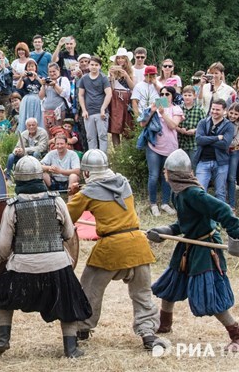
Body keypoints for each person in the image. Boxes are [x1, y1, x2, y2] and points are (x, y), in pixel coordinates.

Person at [0, 155, 91, 358]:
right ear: (39, 177)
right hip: (57, 265)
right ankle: (71, 348)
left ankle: (4, 337)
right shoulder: (56, 201)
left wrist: (13, 258)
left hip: (23, 267)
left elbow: (3, 245)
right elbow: (69, 234)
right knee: (68, 299)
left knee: (4, 296)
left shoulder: (12, 206)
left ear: (18, 180)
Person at [149, 149, 239, 352]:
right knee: (171, 286)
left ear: (171, 173)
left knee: (209, 294)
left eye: (166, 171)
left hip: (205, 248)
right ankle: (165, 324)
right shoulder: (178, 193)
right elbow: (184, 222)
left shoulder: (193, 193)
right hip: (188, 245)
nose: (164, 174)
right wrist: (165, 230)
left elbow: (224, 211)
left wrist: (235, 237)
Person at [66, 149, 165, 351]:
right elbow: (104, 189)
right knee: (142, 294)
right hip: (138, 245)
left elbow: (67, 219)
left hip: (111, 249)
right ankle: (148, 334)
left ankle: (82, 328)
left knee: (89, 290)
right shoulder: (123, 183)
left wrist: (73, 197)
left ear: (86, 172)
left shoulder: (86, 194)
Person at [140, 85, 183, 216]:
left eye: (167, 94)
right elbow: (142, 123)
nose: (164, 97)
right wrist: (152, 111)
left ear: (172, 96)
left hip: (170, 148)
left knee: (167, 177)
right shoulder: (154, 108)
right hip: (154, 147)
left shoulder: (176, 109)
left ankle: (165, 203)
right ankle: (153, 204)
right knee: (153, 176)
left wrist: (163, 113)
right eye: (162, 94)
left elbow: (173, 125)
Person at [194, 99, 234, 203]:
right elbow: (198, 140)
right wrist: (216, 138)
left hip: (221, 162)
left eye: (218, 110)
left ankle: (221, 217)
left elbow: (225, 144)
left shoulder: (229, 125)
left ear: (224, 111)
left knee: (220, 192)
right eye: (213, 109)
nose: (214, 112)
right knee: (200, 191)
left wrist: (206, 139)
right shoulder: (203, 122)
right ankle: (202, 216)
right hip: (203, 161)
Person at [78, 56, 112, 152]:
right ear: (88, 66)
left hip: (101, 112)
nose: (94, 67)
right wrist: (84, 110)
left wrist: (103, 109)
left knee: (102, 136)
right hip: (89, 112)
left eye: (96, 65)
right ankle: (93, 159)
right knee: (90, 137)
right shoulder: (84, 79)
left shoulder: (103, 78)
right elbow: (80, 95)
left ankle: (102, 159)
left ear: (100, 66)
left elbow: (109, 94)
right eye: (92, 64)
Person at [108, 48, 135, 146]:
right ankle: (117, 152)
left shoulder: (131, 71)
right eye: (118, 58)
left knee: (126, 126)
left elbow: (133, 87)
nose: (120, 60)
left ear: (126, 59)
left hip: (127, 98)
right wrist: (111, 77)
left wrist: (126, 76)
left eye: (122, 58)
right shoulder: (113, 70)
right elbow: (111, 88)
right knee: (115, 127)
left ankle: (125, 152)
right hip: (115, 99)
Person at [176, 86, 205, 165]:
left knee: (193, 166)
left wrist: (195, 130)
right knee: (182, 167)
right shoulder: (178, 109)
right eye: (185, 95)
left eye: (189, 95)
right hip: (181, 143)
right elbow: (173, 124)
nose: (187, 97)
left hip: (194, 144)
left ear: (194, 96)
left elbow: (204, 126)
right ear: (182, 96)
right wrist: (180, 129)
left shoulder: (199, 110)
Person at [40, 63, 71, 136]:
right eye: (50, 72)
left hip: (59, 111)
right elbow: (41, 96)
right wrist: (43, 85)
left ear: (58, 70)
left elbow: (64, 94)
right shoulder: (47, 80)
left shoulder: (63, 80)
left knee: (59, 131)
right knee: (48, 133)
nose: (52, 73)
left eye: (54, 71)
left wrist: (54, 85)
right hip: (47, 112)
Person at [226, 103, 239, 210]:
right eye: (231, 113)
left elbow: (238, 139)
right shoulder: (224, 120)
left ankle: (232, 203)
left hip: (234, 151)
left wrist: (225, 143)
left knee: (231, 177)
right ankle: (223, 199)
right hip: (223, 152)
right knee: (223, 175)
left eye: (236, 114)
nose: (233, 116)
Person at [15, 60, 44, 132]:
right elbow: (18, 87)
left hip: (37, 99)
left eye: (32, 66)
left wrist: (37, 77)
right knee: (25, 117)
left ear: (35, 68)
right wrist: (21, 77)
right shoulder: (25, 79)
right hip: (27, 100)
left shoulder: (39, 77)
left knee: (38, 117)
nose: (30, 68)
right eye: (28, 66)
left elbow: (43, 85)